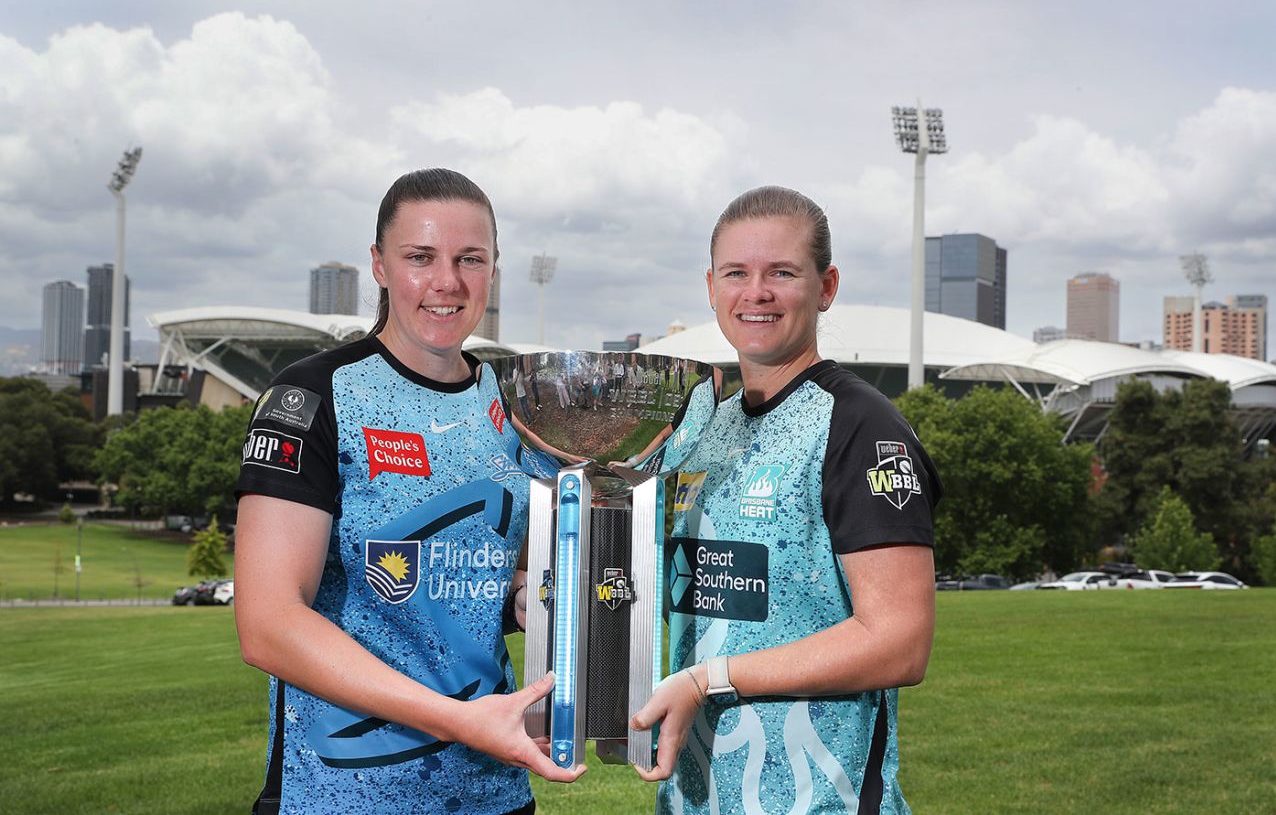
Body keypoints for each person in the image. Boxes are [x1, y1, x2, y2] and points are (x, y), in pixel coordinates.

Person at [234, 168, 583, 815]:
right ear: (380, 264)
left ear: (494, 268)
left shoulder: (514, 405)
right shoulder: (311, 395)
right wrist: (455, 718)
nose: (447, 281)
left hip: (492, 790)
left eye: (469, 259)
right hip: (340, 794)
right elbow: (267, 624)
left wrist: (523, 601)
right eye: (421, 257)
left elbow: (480, 581)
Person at [631, 185, 941, 814]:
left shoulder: (861, 427)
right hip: (695, 796)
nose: (757, 292)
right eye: (737, 273)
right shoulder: (703, 424)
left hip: (821, 799)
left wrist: (709, 680)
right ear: (711, 287)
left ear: (825, 287)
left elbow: (901, 640)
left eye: (782, 273)